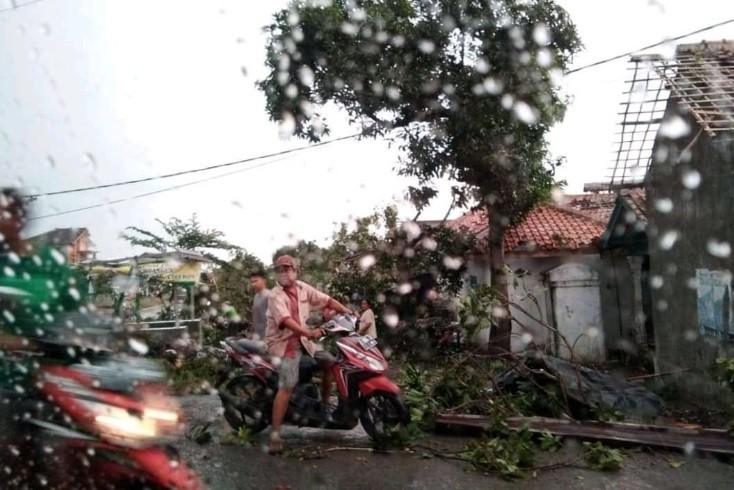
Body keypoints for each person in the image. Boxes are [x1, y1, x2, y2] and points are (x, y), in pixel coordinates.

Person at [265, 254, 352, 454]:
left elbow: (327, 300)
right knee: (287, 385)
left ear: (296, 270)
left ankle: (323, 405)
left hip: (304, 343)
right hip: (283, 345)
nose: (284, 272)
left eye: (288, 268)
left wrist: (347, 311)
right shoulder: (275, 295)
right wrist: (309, 332)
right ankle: (275, 435)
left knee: (331, 362)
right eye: (280, 269)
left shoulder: (303, 288)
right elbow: (287, 321)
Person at [249, 270, 270, 340]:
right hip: (257, 335)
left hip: (268, 336)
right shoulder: (256, 296)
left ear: (264, 280)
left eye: (255, 281)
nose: (253, 284)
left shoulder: (269, 295)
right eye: (252, 282)